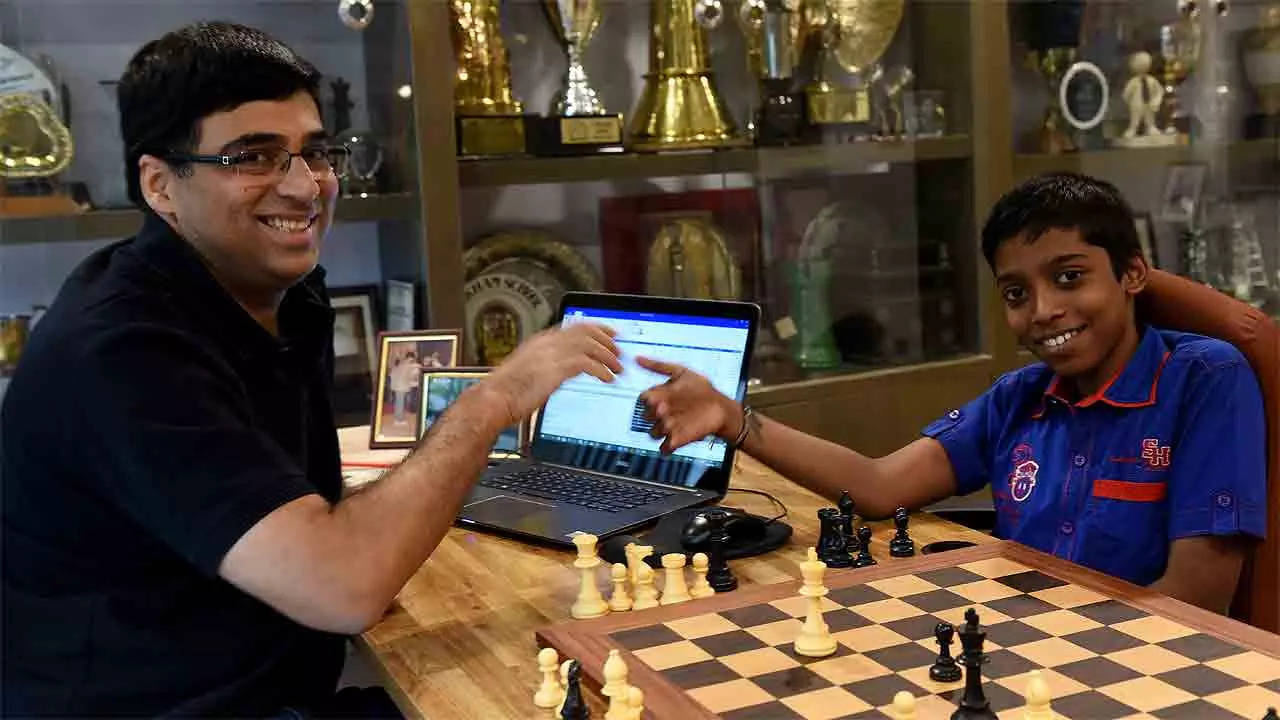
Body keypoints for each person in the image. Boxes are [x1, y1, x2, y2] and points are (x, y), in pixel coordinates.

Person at [0, 22, 620, 717]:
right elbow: (346, 588)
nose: (306, 187)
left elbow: (316, 540)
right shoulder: (123, 350)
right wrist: (494, 397)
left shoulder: (273, 298)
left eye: (316, 152)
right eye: (254, 157)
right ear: (160, 184)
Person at [639, 173, 1266, 614]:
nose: (1043, 310)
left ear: (1132, 274)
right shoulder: (1019, 395)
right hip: (1024, 653)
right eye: (1016, 293)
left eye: (1069, 278)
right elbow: (880, 487)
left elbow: (1195, 599)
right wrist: (732, 417)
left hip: (1145, 675)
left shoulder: (1205, 378)